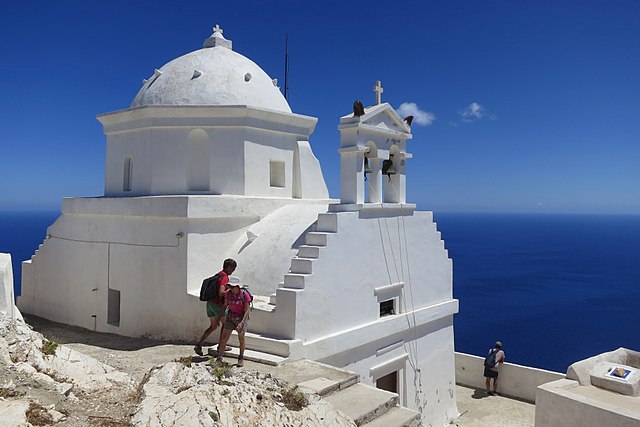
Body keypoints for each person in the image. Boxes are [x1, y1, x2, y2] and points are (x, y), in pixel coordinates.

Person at [194, 258, 237, 356]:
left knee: (213, 326)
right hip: (218, 306)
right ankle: (221, 347)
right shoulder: (224, 277)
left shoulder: (218, 274)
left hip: (210, 304)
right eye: (233, 268)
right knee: (225, 325)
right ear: (229, 267)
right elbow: (221, 292)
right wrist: (231, 290)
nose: (233, 271)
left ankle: (199, 344)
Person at [216, 279, 251, 367]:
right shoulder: (229, 293)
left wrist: (242, 322)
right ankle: (219, 358)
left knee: (241, 338)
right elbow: (225, 305)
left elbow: (247, 310)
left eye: (232, 286)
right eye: (230, 286)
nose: (230, 288)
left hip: (241, 318)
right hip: (230, 317)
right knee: (224, 338)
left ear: (237, 286)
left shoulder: (244, 295)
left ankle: (241, 357)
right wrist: (222, 316)